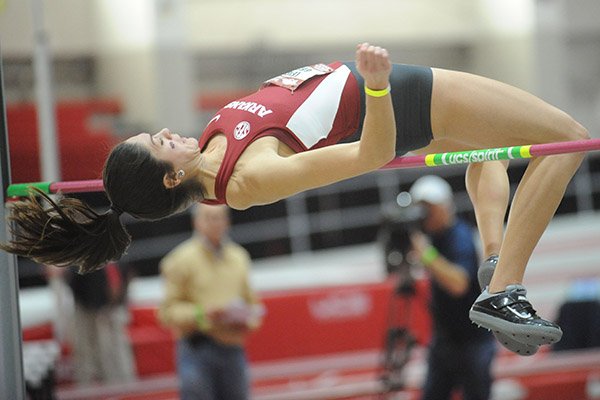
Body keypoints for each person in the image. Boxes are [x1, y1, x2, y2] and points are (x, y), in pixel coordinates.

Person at [2, 43, 590, 352]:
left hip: (397, 95)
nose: (167, 134)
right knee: (565, 141)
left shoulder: (209, 144)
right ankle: (505, 291)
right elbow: (370, 157)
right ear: (168, 178)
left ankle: (493, 261)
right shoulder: (244, 181)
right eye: (158, 144)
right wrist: (380, 85)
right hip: (401, 98)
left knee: (485, 153)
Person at [158, 203, 263, 400]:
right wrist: (202, 314)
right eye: (209, 217)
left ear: (227, 221)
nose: (216, 223)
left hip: (233, 348)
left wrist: (247, 320)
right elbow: (167, 312)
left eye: (220, 217)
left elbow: (252, 304)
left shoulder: (239, 257)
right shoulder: (180, 260)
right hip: (197, 349)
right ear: (196, 222)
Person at [408, 175, 496, 400]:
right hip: (445, 340)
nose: (425, 214)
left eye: (430, 208)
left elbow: (459, 284)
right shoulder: (430, 237)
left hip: (473, 339)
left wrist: (426, 255)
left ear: (445, 206)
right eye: (421, 208)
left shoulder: (460, 235)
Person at [64, 262, 137, 384]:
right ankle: (91, 387)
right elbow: (75, 278)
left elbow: (126, 271)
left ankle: (123, 384)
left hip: (112, 307)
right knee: (88, 350)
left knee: (115, 348)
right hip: (88, 307)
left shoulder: (117, 257)